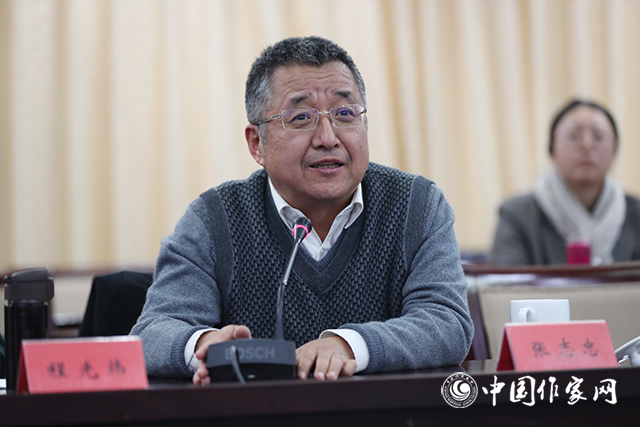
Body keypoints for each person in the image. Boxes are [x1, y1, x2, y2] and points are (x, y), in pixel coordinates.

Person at [131, 36, 473, 384]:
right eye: (301, 118)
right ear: (257, 144)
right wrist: (204, 345)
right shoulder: (214, 219)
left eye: (345, 114)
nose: (328, 137)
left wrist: (348, 346)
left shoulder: (417, 204)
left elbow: (446, 323)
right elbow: (153, 332)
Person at [490, 99, 640, 265]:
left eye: (599, 136)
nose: (587, 144)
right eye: (574, 136)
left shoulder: (636, 213)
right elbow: (507, 279)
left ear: (615, 150)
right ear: (552, 149)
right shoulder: (517, 215)